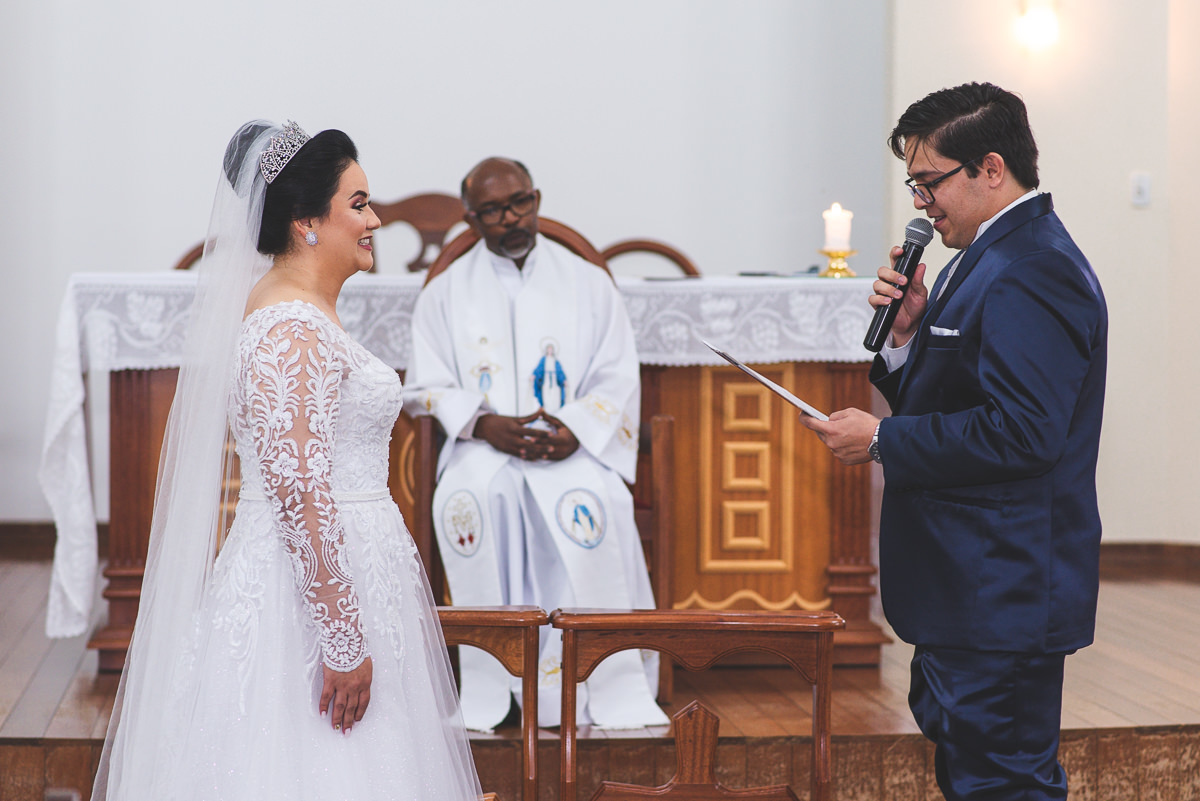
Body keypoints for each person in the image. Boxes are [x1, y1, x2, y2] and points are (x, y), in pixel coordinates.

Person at [92, 121, 481, 800]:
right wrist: (339, 640)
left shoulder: (304, 315)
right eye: (358, 204)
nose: (375, 220)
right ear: (306, 220)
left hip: (351, 579)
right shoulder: (288, 329)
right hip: (303, 601)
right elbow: (301, 491)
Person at [801, 82, 1107, 800]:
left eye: (929, 181)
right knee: (976, 775)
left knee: (1003, 784)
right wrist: (907, 338)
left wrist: (881, 439)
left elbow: (1024, 433)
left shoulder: (1033, 268)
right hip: (970, 585)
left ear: (991, 168)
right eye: (914, 184)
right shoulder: (990, 255)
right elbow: (965, 397)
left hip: (1000, 587)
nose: (920, 202)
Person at [404, 157, 668, 731]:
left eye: (520, 202)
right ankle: (491, 682)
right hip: (485, 447)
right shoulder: (445, 293)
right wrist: (482, 422)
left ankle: (604, 683)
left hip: (570, 447)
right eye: (494, 210)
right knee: (469, 499)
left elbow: (618, 375)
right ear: (471, 220)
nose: (512, 217)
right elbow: (424, 388)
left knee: (600, 500)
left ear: (537, 198)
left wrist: (578, 427)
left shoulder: (587, 283)